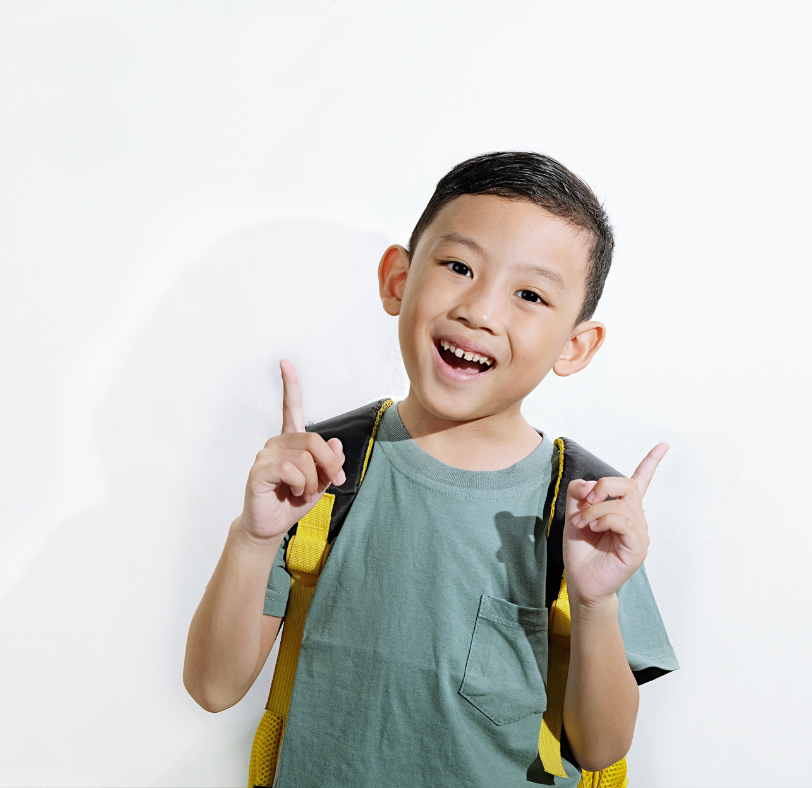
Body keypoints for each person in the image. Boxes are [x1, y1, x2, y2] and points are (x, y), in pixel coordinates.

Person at [183, 151, 679, 786]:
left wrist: (597, 602)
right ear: (398, 278)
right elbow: (213, 687)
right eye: (458, 266)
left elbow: (601, 747)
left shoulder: (585, 512)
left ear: (575, 346)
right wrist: (252, 540)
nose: (481, 310)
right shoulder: (323, 472)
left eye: (529, 294)